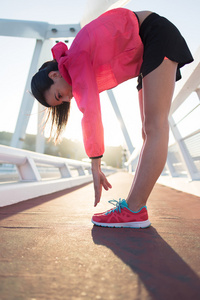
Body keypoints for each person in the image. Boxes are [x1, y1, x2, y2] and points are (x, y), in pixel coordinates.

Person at [31, 8, 193, 228]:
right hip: (147, 48)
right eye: (62, 102)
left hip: (154, 34)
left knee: (155, 126)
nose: (67, 98)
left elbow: (91, 110)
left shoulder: (75, 59)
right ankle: (133, 208)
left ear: (54, 74)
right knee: (148, 131)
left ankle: (134, 210)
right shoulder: (76, 61)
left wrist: (95, 163)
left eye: (59, 95)